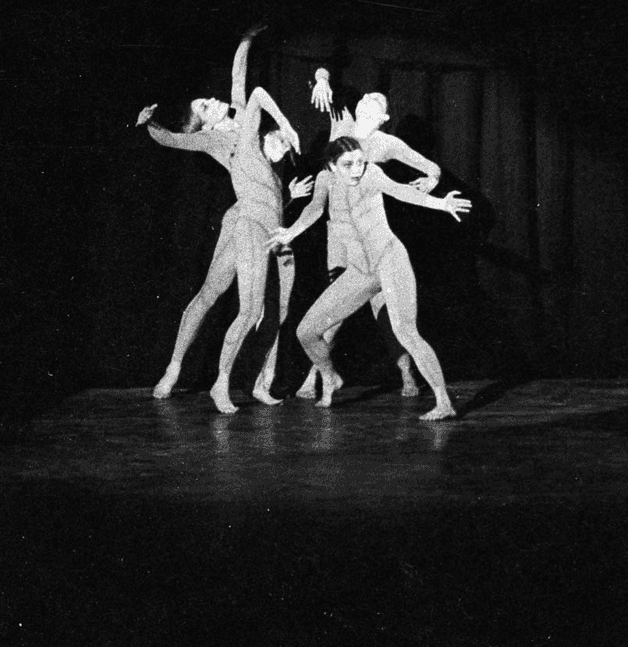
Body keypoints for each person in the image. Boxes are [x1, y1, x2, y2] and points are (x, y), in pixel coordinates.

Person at [137, 27, 306, 413]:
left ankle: (262, 381)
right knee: (214, 295)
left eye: (209, 100)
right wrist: (149, 125)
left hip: (271, 218)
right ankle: (176, 368)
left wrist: (245, 41)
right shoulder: (214, 138)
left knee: (276, 308)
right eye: (206, 107)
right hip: (244, 220)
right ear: (206, 124)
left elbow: (238, 78)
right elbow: (173, 140)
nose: (213, 102)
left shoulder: (245, 119)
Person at [267, 136, 471, 421]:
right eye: (348, 164)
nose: (356, 170)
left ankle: (443, 402)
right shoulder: (325, 180)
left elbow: (402, 192)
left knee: (406, 332)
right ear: (331, 166)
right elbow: (314, 208)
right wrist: (291, 232)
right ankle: (331, 376)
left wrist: (441, 204)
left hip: (389, 260)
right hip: (359, 271)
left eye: (360, 162)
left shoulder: (372, 174)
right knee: (306, 332)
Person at [292, 68, 442, 399]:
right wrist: (320, 79)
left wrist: (431, 180)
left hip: (367, 239)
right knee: (333, 308)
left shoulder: (387, 144)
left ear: (384, 118)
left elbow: (431, 168)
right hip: (336, 236)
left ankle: (405, 372)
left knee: (381, 306)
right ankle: (315, 377)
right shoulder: (341, 124)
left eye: (376, 107)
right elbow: (323, 71)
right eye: (365, 102)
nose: (367, 106)